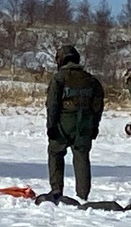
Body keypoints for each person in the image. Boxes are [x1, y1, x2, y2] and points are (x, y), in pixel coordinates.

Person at [40, 45, 104, 203]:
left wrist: (51, 126)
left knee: (55, 152)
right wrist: (94, 126)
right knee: (82, 156)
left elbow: (53, 104)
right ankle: (82, 196)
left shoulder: (59, 78)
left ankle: (56, 190)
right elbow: (98, 106)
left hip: (64, 122)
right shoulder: (91, 80)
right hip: (85, 124)